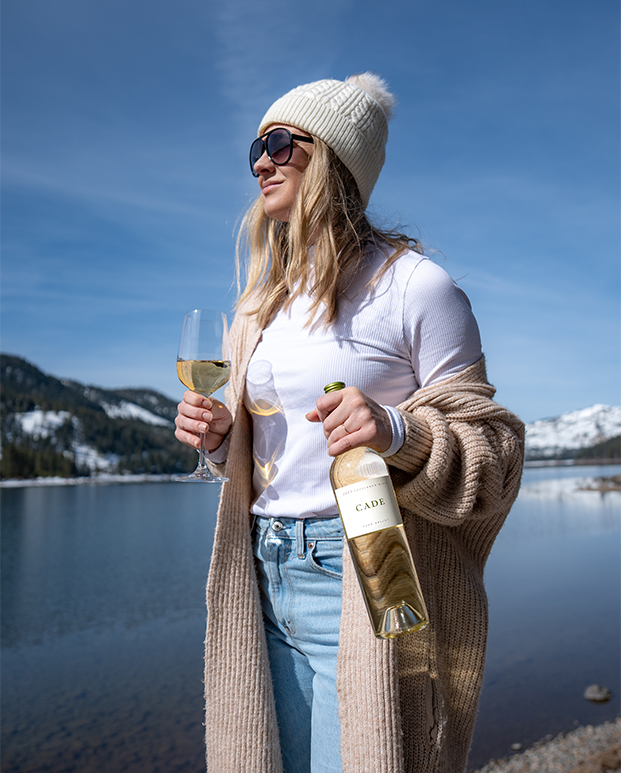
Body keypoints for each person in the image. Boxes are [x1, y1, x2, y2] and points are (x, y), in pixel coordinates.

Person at [174, 74, 524, 773]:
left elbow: (497, 452)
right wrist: (219, 441)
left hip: (366, 557)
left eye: (280, 143)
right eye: (254, 147)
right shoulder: (260, 307)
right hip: (263, 561)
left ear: (335, 158)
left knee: (378, 752)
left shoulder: (415, 286)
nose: (260, 162)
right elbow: (269, 452)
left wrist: (396, 431)